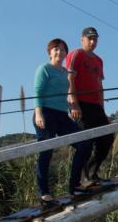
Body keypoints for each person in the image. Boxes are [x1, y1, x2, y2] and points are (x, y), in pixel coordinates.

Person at [33, 38, 91, 205]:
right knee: (46, 151)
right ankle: (44, 193)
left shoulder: (66, 72)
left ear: (66, 53)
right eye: (55, 49)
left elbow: (66, 95)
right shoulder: (44, 69)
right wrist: (38, 113)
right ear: (50, 52)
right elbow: (37, 91)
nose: (59, 52)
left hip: (62, 115)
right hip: (45, 113)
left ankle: (75, 185)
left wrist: (73, 106)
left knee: (84, 143)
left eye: (62, 50)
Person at [65, 26, 113, 186]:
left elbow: (100, 85)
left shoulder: (99, 61)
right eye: (89, 38)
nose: (92, 42)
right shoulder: (76, 54)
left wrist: (103, 111)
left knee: (106, 138)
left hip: (96, 106)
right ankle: (82, 178)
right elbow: (69, 79)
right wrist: (73, 104)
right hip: (81, 104)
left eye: (95, 39)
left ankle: (92, 173)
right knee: (86, 141)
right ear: (82, 39)